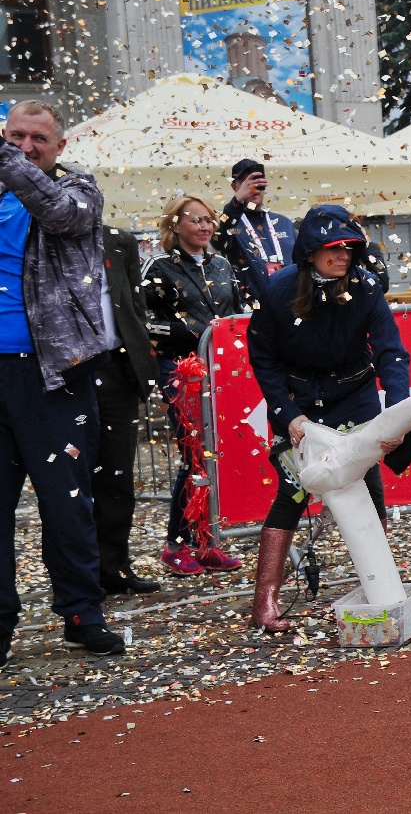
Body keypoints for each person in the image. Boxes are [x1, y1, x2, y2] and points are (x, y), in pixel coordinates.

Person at [245, 204, 411, 631]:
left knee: (369, 484)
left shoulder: (366, 287)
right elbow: (263, 358)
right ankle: (265, 599)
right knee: (293, 489)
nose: (343, 257)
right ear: (310, 251)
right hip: (298, 399)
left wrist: (397, 414)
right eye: (333, 249)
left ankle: (380, 588)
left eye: (349, 249)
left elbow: (391, 352)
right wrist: (289, 415)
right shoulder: (278, 290)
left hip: (355, 394)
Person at [0, 99, 124, 662]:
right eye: (16, 137)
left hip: (54, 375)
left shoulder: (78, 190)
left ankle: (81, 613)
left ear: (60, 147)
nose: (26, 148)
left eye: (38, 140)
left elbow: (59, 215)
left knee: (66, 503)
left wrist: (7, 160)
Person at [143, 194, 245, 576]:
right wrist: (191, 333)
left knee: (216, 456)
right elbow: (143, 321)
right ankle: (176, 545)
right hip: (180, 372)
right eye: (196, 220)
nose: (205, 226)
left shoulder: (222, 264)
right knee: (196, 458)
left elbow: (236, 311)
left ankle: (206, 542)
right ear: (176, 224)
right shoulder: (159, 267)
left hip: (221, 370)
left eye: (209, 220)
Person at [91, 225, 161, 594]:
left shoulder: (118, 241)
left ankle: (113, 567)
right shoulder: (41, 234)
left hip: (116, 368)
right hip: (64, 373)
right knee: (70, 481)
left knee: (116, 476)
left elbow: (135, 304)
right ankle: (79, 577)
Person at [213, 158, 297, 309]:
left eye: (257, 181)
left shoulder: (283, 222)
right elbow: (217, 240)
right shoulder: (230, 222)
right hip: (252, 311)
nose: (253, 187)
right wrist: (237, 201)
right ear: (234, 187)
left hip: (289, 307)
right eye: (246, 182)